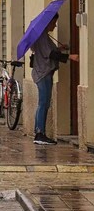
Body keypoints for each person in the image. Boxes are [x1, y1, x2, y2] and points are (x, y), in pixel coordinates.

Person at [31, 14, 78, 145]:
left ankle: (39, 132)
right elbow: (49, 54)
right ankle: (39, 133)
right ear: (48, 23)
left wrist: (60, 48)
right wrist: (70, 57)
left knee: (44, 103)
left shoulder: (44, 36)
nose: (55, 25)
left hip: (43, 72)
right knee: (43, 103)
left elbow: (49, 51)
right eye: (53, 23)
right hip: (43, 72)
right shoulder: (42, 36)